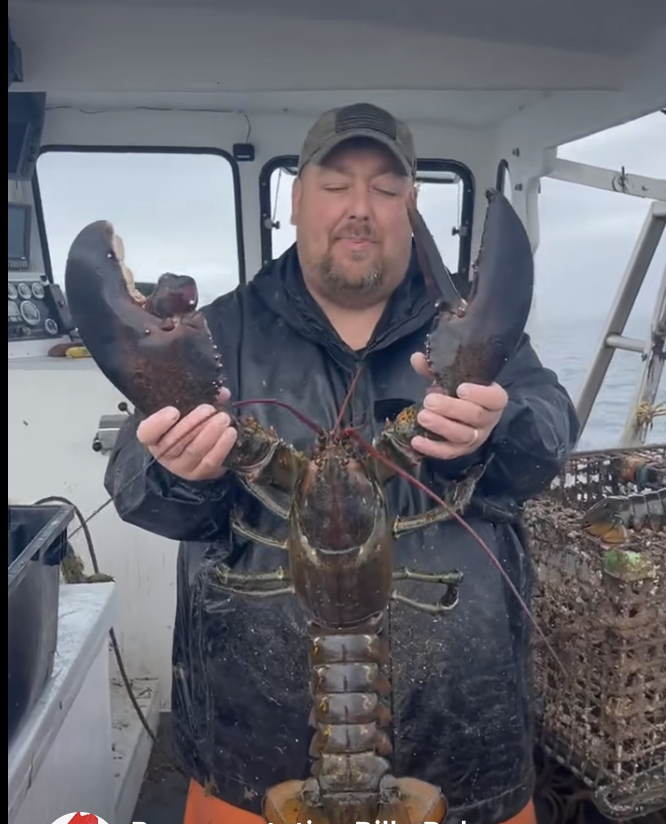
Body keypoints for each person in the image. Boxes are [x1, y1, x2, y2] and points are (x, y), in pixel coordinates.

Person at [105, 102, 580, 824]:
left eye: (386, 189)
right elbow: (134, 485)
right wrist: (177, 470)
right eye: (335, 185)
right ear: (297, 201)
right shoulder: (218, 333)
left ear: (411, 206)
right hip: (251, 762)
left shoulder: (474, 329)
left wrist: (497, 427)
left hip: (466, 758)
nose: (360, 207)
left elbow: (547, 437)